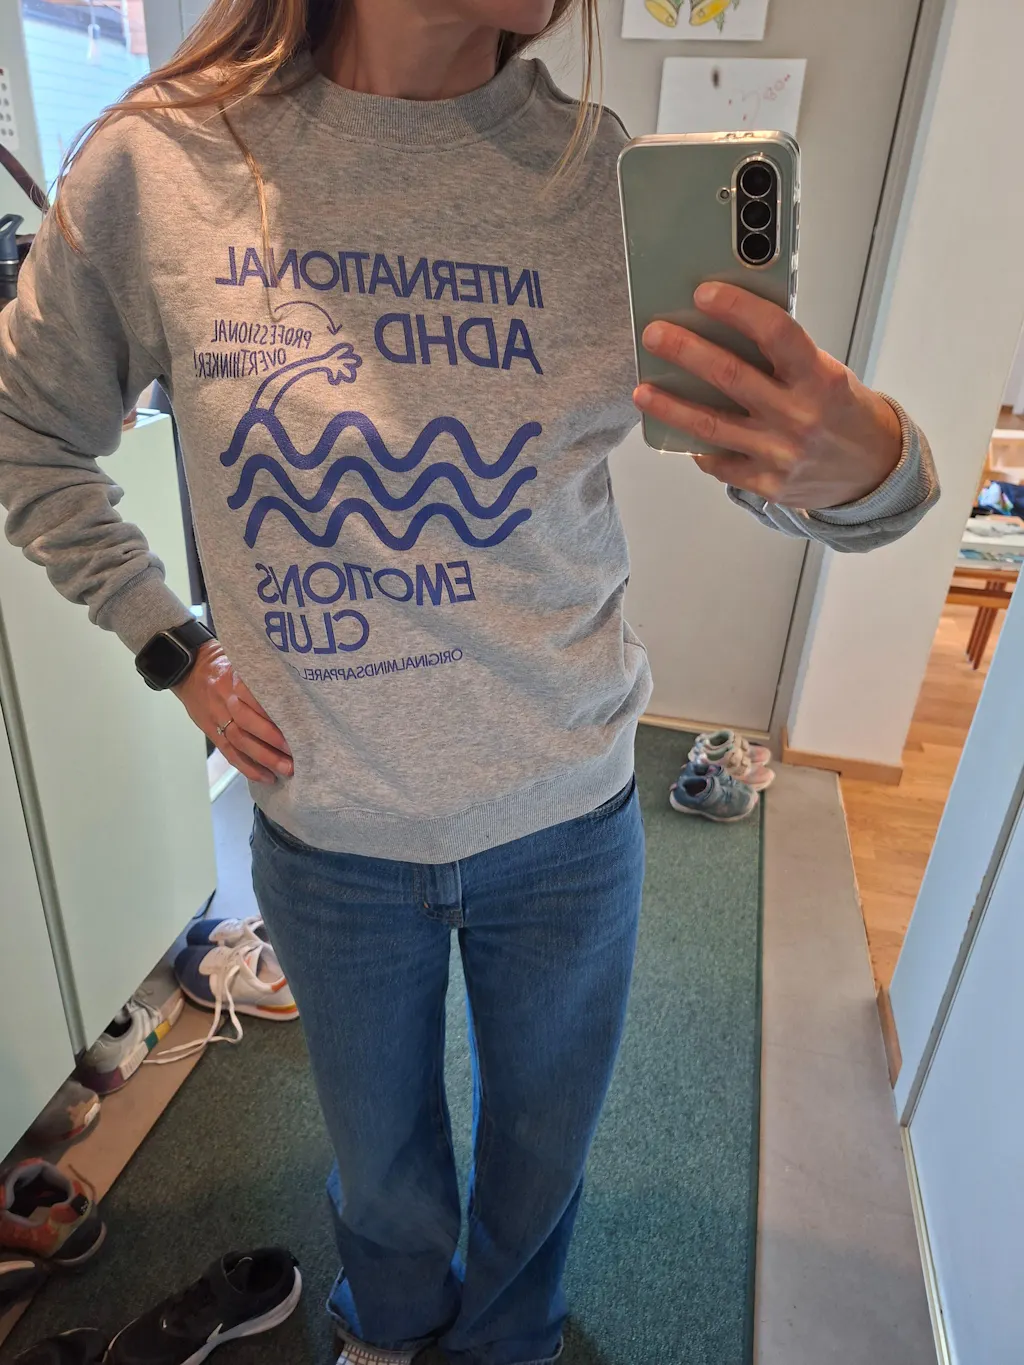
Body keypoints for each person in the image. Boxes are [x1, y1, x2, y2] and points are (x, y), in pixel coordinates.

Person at [0, 3, 939, 1362]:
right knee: (382, 1177)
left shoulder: (597, 184)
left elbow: (823, 490)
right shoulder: (162, 166)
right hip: (332, 837)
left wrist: (867, 457)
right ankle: (387, 1330)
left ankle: (509, 1343)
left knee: (540, 1160)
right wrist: (172, 644)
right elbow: (29, 436)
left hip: (567, 822)